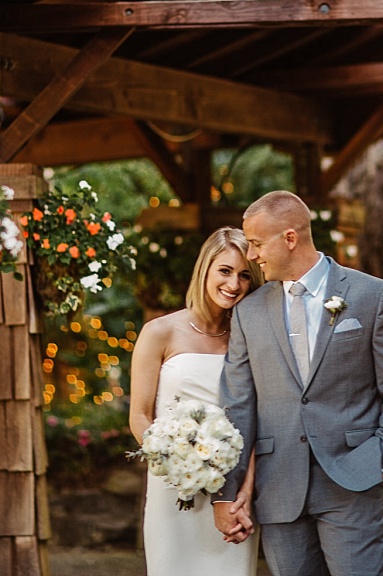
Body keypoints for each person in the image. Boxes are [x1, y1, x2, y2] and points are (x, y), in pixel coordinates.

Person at [215, 191, 383, 576]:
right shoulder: (248, 312)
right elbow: (237, 406)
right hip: (278, 488)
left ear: (290, 238)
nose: (253, 256)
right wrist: (227, 492)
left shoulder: (372, 295)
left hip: (353, 480)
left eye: (258, 244)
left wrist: (381, 458)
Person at [130, 227, 265, 576]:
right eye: (225, 271)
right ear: (205, 269)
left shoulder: (248, 338)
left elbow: (256, 420)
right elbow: (140, 417)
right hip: (174, 488)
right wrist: (180, 463)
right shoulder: (160, 332)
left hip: (234, 489)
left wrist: (243, 492)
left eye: (244, 276)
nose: (234, 284)